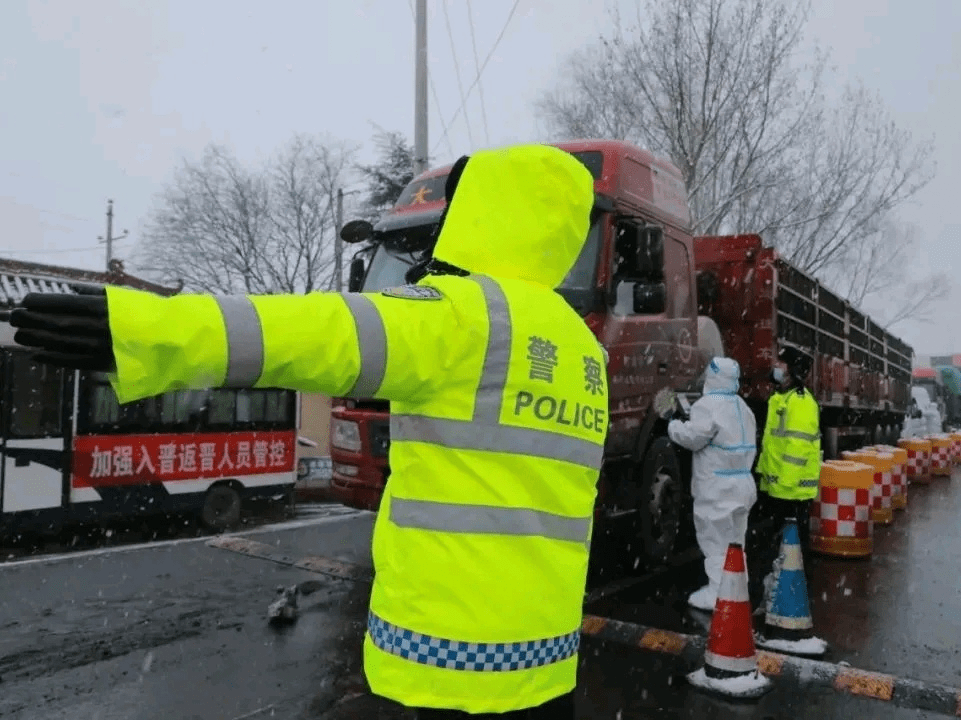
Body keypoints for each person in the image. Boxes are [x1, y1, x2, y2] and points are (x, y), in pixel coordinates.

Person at [7, 144, 609, 719]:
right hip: (544, 647)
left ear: (481, 212)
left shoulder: (463, 316)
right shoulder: (580, 347)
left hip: (453, 646)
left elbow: (313, 334)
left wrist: (145, 330)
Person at [667, 357, 758, 612]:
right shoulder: (742, 407)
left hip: (718, 487)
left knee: (716, 543)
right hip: (743, 485)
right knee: (736, 541)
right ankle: (737, 587)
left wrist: (673, 425)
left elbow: (693, 438)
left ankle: (719, 594)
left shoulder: (708, 406)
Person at [755, 346, 821, 603]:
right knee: (781, 545)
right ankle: (784, 587)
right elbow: (772, 445)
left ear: (793, 371)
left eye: (781, 364)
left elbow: (798, 448)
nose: (776, 368)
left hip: (791, 489)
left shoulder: (801, 402)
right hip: (778, 486)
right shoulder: (779, 398)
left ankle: (794, 593)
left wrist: (784, 487)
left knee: (792, 545)